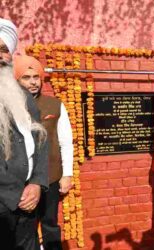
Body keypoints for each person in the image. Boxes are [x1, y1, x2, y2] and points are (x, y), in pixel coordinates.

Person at [13, 55, 74, 250]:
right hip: (21, 182)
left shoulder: (54, 105)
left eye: (36, 77)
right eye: (26, 77)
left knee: (50, 225)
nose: (32, 82)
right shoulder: (8, 106)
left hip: (51, 177)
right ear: (16, 80)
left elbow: (66, 141)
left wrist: (67, 174)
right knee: (24, 229)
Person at [0, 18, 48, 250]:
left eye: (3, 50)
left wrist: (37, 183)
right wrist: (14, 193)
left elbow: (41, 141)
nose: (0, 56)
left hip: (28, 202)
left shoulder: (23, 95)